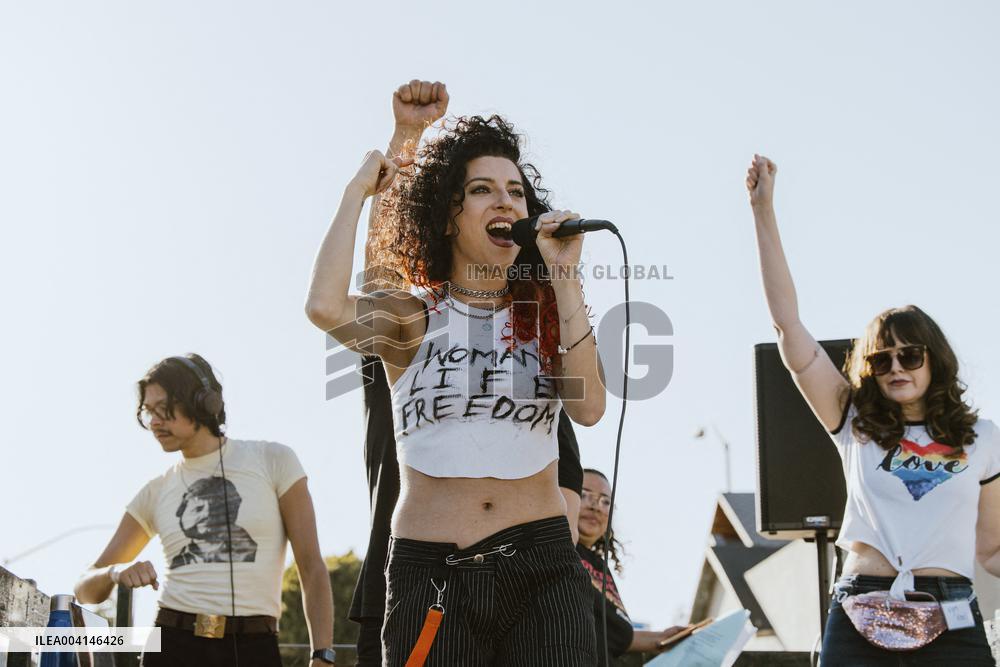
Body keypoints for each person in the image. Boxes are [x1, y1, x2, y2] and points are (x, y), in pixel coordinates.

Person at [307, 110, 607, 665]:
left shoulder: (543, 315)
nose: (506, 203)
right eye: (482, 190)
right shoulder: (412, 315)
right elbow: (324, 307)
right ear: (448, 217)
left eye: (516, 192)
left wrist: (564, 277)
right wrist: (356, 191)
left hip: (542, 572)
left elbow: (589, 407)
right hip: (433, 574)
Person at [746, 154, 1000, 665]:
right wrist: (763, 211)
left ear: (934, 360)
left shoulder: (982, 438)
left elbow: (992, 548)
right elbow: (789, 329)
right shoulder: (854, 422)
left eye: (910, 355)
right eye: (881, 359)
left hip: (951, 616)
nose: (896, 367)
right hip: (862, 605)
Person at [74, 354, 337, 667]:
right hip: (172, 643)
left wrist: (323, 654)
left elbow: (311, 566)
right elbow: (85, 589)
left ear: (203, 403)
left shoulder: (274, 460)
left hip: (255, 645)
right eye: (148, 411)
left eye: (163, 408)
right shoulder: (155, 491)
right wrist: (117, 571)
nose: (155, 422)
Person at [576, 469, 687, 663]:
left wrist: (662, 638)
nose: (596, 507)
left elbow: (617, 636)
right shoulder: (558, 551)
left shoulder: (600, 567)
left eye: (605, 501)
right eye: (584, 495)